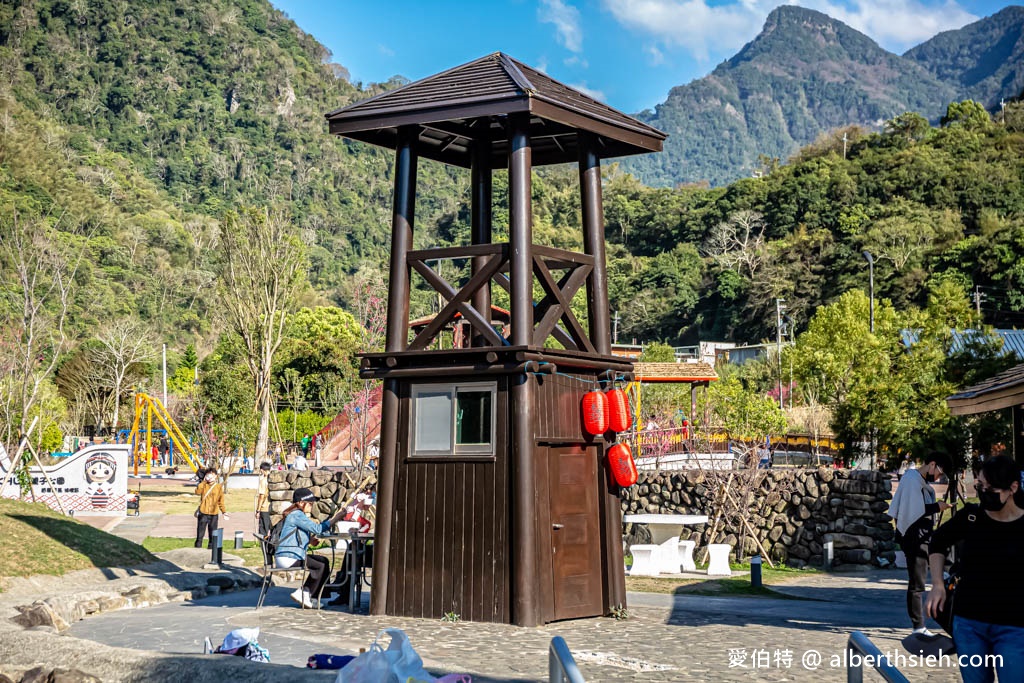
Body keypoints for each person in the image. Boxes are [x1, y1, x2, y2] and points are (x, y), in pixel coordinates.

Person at [926, 456, 1024, 682]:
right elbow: (937, 542)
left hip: (1015, 627)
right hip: (969, 623)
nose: (984, 492)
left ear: (1013, 487)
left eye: (991, 488)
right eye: (980, 486)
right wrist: (938, 584)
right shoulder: (971, 516)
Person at [888, 452, 952, 636]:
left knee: (942, 570)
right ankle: (918, 626)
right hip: (914, 537)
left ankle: (924, 624)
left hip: (923, 536)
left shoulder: (919, 481)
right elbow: (913, 511)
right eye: (940, 471)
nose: (939, 477)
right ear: (932, 464)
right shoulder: (911, 479)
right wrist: (937, 507)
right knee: (917, 583)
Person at [275, 488, 347, 609]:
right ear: (300, 503)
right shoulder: (297, 515)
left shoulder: (296, 515)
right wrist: (336, 518)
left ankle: (313, 597)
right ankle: (304, 592)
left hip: (289, 554)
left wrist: (309, 541)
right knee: (320, 565)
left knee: (323, 561)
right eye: (310, 503)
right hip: (289, 556)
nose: (311, 506)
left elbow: (295, 536)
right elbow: (318, 529)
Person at [195, 470, 229, 549]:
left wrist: (224, 512)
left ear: (216, 476)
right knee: (200, 534)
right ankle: (197, 550)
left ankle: (211, 552)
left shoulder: (218, 487)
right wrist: (203, 481)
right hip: (203, 512)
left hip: (214, 514)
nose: (210, 476)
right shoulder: (204, 485)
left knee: (213, 534)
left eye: (212, 475)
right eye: (208, 474)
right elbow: (197, 492)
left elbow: (221, 501)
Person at [254, 462, 272, 537]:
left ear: (262, 470)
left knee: (263, 529)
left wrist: (258, 510)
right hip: (273, 507)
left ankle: (264, 545)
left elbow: (261, 496)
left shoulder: (263, 481)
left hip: (265, 507)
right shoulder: (273, 479)